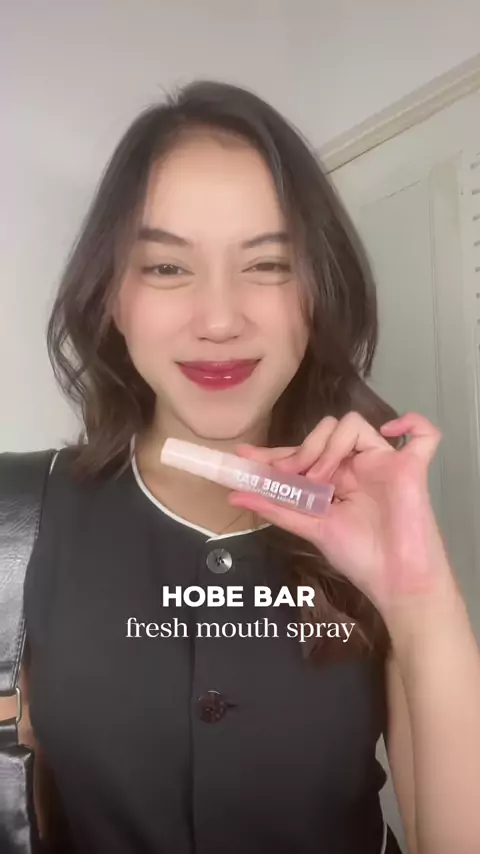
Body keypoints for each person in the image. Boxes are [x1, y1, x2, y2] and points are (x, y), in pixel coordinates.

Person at [1, 80, 480, 854]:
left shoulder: (371, 521)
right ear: (112, 297)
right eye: (167, 268)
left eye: (268, 264)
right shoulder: (21, 514)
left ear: (318, 292)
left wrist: (418, 595)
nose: (220, 319)